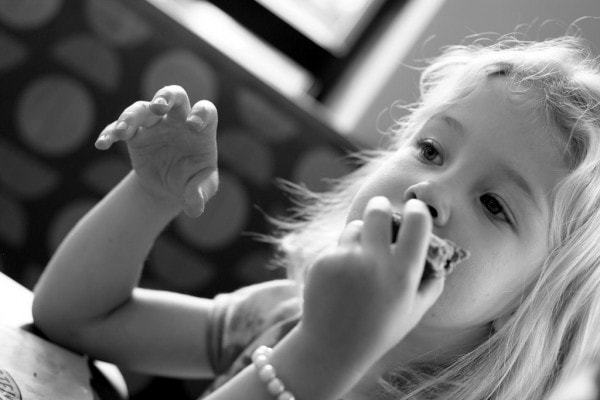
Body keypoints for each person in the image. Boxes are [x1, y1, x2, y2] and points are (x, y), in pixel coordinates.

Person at [32, 32, 600, 400]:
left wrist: (325, 353)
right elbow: (76, 318)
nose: (430, 193)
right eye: (430, 150)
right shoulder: (284, 319)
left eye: (496, 204)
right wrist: (151, 194)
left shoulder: (314, 338)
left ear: (535, 301)